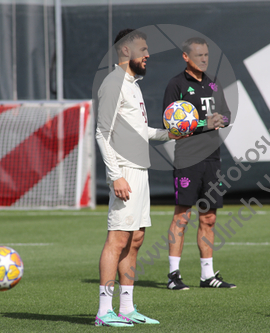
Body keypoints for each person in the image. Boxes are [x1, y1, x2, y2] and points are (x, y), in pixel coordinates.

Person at [94, 29, 187, 327]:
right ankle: (104, 311)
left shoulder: (133, 85)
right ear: (125, 51)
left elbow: (140, 131)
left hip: (139, 170)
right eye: (142, 49)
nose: (148, 55)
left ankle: (127, 308)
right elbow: (102, 133)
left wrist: (168, 133)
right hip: (124, 172)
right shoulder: (113, 83)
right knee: (117, 239)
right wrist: (115, 176)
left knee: (135, 240)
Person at [163, 37, 236, 290]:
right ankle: (173, 275)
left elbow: (226, 114)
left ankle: (207, 276)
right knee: (182, 217)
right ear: (186, 57)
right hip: (187, 159)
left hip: (212, 159)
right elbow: (171, 126)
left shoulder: (214, 84)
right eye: (199, 55)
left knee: (209, 218)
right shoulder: (176, 85)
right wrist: (206, 123)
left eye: (206, 55)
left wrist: (221, 119)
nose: (204, 59)